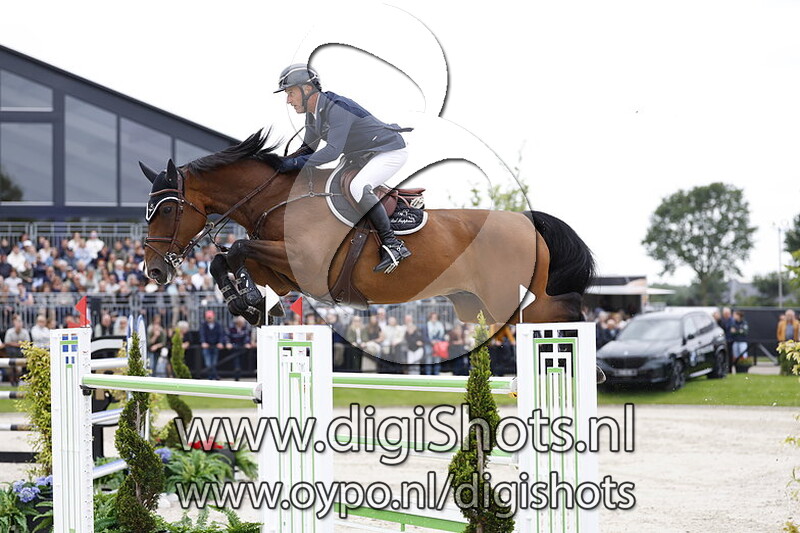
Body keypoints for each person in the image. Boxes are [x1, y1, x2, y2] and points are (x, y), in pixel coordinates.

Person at [275, 64, 412, 273]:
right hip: (363, 156)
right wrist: (277, 162)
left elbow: (332, 152)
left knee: (358, 187)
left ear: (307, 88)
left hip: (389, 151)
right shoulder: (313, 114)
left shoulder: (336, 107)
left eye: (291, 93)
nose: (288, 100)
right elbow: (307, 149)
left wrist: (293, 164)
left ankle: (393, 244)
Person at [199, 310, 226, 380]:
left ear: (214, 317)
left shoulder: (218, 325)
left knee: (214, 363)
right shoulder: (203, 325)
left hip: (215, 346)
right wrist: (203, 342)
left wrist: (220, 342)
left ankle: (213, 376)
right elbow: (202, 334)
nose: (209, 318)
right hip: (207, 347)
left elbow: (221, 334)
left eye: (210, 317)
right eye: (208, 317)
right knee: (208, 363)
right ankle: (212, 377)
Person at [4, 316, 30, 386]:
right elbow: (7, 343)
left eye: (20, 322)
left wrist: (15, 344)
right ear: (14, 323)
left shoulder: (25, 331)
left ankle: (19, 376)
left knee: (23, 351)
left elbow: (28, 343)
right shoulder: (9, 331)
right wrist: (19, 344)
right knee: (12, 350)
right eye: (17, 322)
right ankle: (15, 376)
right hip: (12, 352)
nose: (19, 324)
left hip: (20, 351)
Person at [226, 316, 252, 381]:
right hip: (233, 347)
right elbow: (227, 336)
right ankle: (236, 375)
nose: (243, 324)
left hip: (242, 348)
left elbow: (247, 336)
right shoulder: (231, 327)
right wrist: (228, 343)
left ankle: (239, 373)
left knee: (241, 361)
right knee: (235, 361)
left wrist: (247, 343)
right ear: (238, 322)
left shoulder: (245, 328)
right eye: (241, 322)